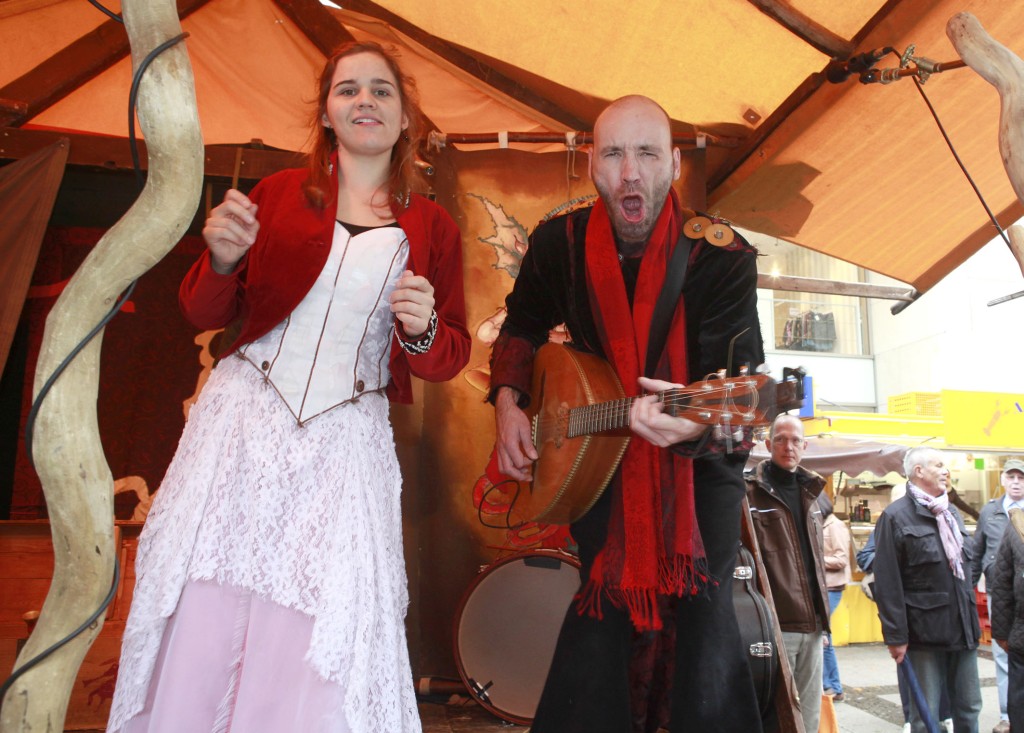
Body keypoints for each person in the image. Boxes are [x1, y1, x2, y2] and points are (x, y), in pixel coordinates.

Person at [107, 41, 470, 733]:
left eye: (382, 90)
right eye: (347, 89)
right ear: (327, 114)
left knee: (316, 613)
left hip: (344, 445)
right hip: (243, 426)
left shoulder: (434, 228)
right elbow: (202, 311)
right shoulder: (275, 194)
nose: (364, 100)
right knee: (213, 595)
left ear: (405, 118)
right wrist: (220, 260)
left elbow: (445, 356)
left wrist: (422, 329)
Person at [489, 95, 765, 732]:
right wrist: (508, 402)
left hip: (700, 474)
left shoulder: (721, 256)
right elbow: (522, 325)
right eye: (614, 154)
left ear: (674, 163)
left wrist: (693, 421)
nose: (631, 172)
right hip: (598, 466)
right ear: (593, 164)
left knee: (703, 616)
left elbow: (744, 389)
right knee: (602, 612)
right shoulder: (559, 243)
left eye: (647, 153)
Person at [873, 447, 982, 733]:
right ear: (918, 471)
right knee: (925, 716)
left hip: (963, 628)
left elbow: (967, 568)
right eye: (939, 465)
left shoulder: (951, 513)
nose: (946, 471)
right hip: (924, 634)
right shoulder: (895, 516)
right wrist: (896, 636)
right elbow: (887, 582)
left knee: (970, 708)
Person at [746, 413, 830, 733]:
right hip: (775, 622)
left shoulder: (813, 493)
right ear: (768, 445)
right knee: (778, 715)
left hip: (813, 624)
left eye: (795, 440)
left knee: (808, 716)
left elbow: (815, 559)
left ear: (805, 446)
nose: (788, 447)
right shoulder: (750, 492)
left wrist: (822, 621)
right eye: (780, 440)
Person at [972, 457, 1024, 733]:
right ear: (1002, 480)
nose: (1016, 483)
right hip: (998, 591)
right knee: (1003, 652)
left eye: (1021, 478)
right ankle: (1006, 715)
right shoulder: (990, 511)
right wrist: (970, 586)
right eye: (1011, 477)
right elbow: (977, 550)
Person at [990, 507, 1024, 733]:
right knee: (1020, 702)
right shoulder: (1017, 525)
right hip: (1022, 635)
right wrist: (1002, 633)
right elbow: (1002, 582)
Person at [820, 493, 851, 703]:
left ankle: (832, 686)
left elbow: (841, 559)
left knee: (823, 637)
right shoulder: (822, 523)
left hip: (832, 586)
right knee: (823, 637)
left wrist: (816, 559)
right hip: (824, 586)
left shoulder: (834, 526)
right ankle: (830, 685)